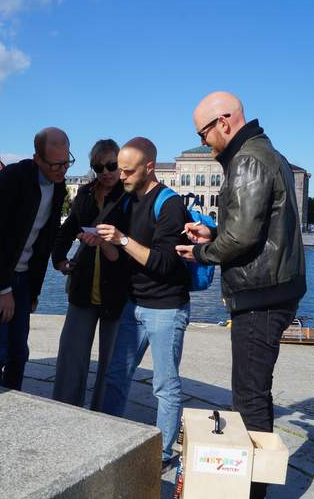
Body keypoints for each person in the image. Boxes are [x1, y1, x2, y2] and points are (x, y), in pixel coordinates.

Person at [176, 91, 306, 499]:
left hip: (261, 294)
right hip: (270, 287)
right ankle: (251, 482)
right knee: (253, 389)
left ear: (225, 122)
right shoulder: (264, 153)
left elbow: (244, 237)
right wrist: (214, 233)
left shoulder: (247, 159)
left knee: (249, 395)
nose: (203, 142)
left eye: (204, 133)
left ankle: (249, 489)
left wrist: (201, 251)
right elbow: (253, 230)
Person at [96, 137, 191, 472]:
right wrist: (102, 241)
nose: (120, 176)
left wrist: (121, 239)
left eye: (127, 170)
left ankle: (163, 456)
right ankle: (105, 438)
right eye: (119, 169)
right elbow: (120, 258)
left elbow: (165, 264)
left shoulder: (170, 205)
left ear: (149, 166)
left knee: (164, 386)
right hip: (133, 304)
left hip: (166, 308)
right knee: (116, 375)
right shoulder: (125, 200)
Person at [0, 127, 68, 390]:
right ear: (37, 158)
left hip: (23, 277)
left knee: (19, 351)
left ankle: (13, 399)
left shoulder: (59, 185)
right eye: (55, 165)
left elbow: (43, 242)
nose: (62, 171)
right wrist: (3, 289)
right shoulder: (13, 179)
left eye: (66, 163)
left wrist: (33, 292)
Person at [51, 139, 129, 411]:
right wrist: (59, 259)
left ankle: (104, 415)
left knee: (111, 362)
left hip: (117, 288)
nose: (105, 172)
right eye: (99, 166)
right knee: (71, 356)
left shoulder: (129, 196)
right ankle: (65, 409)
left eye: (111, 165)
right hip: (83, 284)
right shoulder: (84, 194)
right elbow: (68, 228)